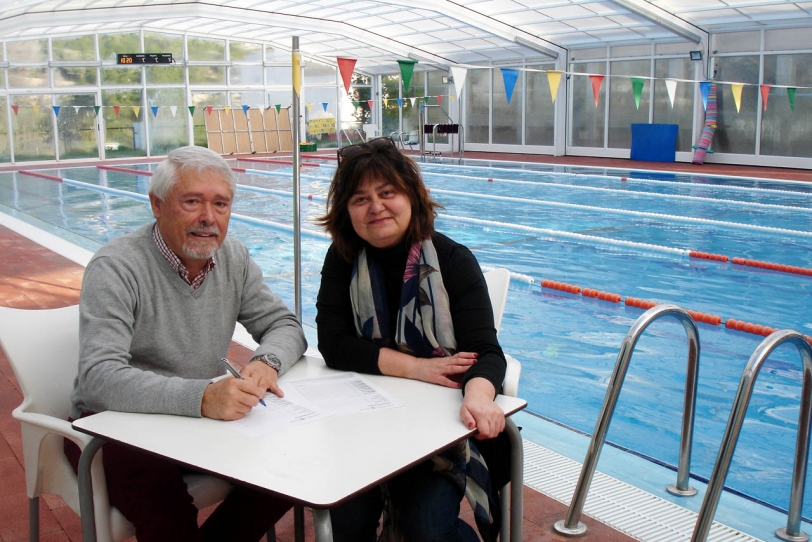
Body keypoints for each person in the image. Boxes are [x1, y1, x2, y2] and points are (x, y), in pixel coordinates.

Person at [66, 145, 308, 542]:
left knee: (290, 471)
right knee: (168, 516)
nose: (208, 218)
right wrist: (202, 398)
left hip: (196, 426)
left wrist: (267, 361)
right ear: (157, 205)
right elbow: (98, 378)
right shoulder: (117, 267)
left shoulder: (234, 258)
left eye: (220, 204)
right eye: (192, 202)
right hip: (115, 428)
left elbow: (284, 325)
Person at [315, 137, 508, 542]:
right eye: (360, 199)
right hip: (366, 424)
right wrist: (416, 368)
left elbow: (486, 352)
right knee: (343, 517)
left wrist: (478, 396)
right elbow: (332, 343)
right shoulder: (343, 259)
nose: (376, 207)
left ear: (411, 197)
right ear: (346, 211)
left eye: (387, 193)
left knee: (425, 527)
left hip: (444, 436)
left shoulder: (453, 261)